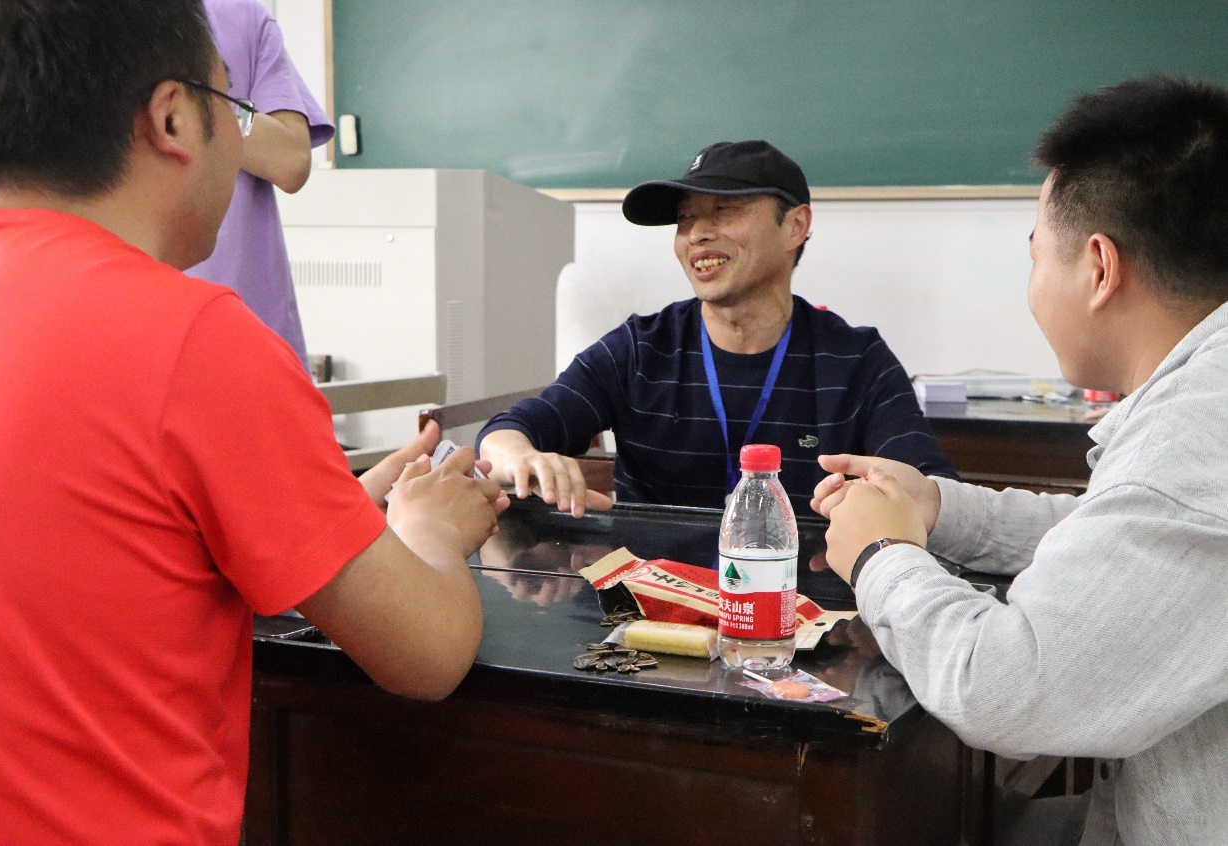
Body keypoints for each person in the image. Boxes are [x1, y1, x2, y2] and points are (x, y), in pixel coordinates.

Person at [0, 2, 505, 844]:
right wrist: (429, 529)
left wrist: (327, 513)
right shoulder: (192, 338)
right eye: (235, 107)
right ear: (175, 118)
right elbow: (425, 655)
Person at [812, 76, 1228, 846]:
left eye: (1035, 253)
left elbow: (1002, 690)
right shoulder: (1201, 401)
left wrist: (879, 554)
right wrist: (939, 508)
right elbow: (1122, 534)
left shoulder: (1195, 435)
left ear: (1098, 268)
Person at [478, 140, 955, 518]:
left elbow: (931, 490)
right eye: (686, 218)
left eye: (725, 210)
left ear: (795, 226)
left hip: (799, 596)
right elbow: (506, 433)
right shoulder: (642, 348)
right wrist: (519, 456)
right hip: (651, 595)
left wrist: (886, 500)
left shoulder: (855, 360)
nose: (697, 234)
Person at [186, 0, 333, 373]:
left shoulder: (241, 16)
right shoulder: (72, 21)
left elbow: (291, 161)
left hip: (249, 329)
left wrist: (202, 103)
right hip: (125, 320)